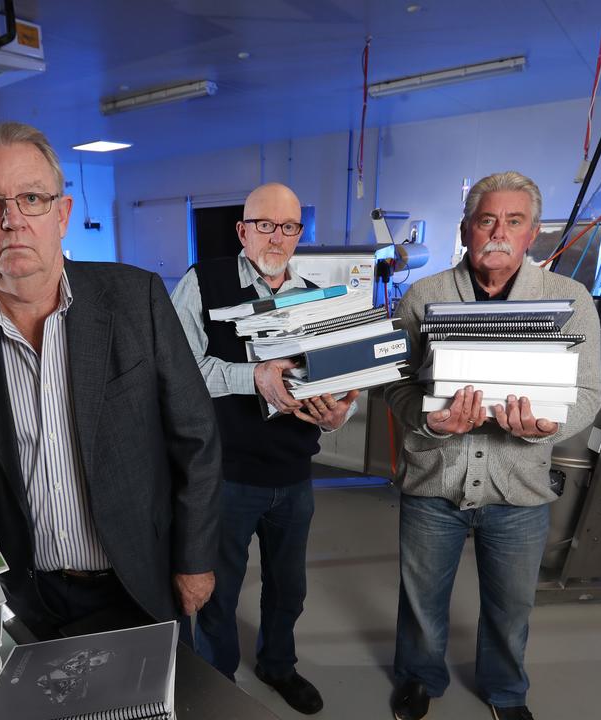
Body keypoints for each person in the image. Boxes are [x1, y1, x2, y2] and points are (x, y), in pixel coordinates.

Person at [0, 120, 221, 653]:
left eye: (32, 198)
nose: (12, 221)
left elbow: (195, 437)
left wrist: (195, 559)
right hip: (28, 593)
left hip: (143, 578)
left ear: (61, 214)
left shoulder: (137, 300)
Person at [384, 172, 601, 720]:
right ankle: (418, 677)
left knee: (511, 607)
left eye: (514, 221)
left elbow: (588, 393)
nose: (498, 232)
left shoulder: (569, 300)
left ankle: (506, 692)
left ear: (533, 235)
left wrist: (551, 425)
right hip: (435, 478)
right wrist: (433, 421)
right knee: (421, 601)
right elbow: (396, 382)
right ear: (466, 230)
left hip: (520, 484)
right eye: (486, 221)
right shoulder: (423, 296)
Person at [170, 182, 357, 715]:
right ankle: (217, 682)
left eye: (289, 227)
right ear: (242, 230)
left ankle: (278, 665)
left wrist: (341, 410)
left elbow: (335, 380)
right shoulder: (202, 284)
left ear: (301, 232)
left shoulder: (316, 294)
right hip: (225, 474)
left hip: (295, 474)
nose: (277, 237)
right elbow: (180, 374)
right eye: (265, 225)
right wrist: (251, 375)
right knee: (217, 593)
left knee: (288, 589)